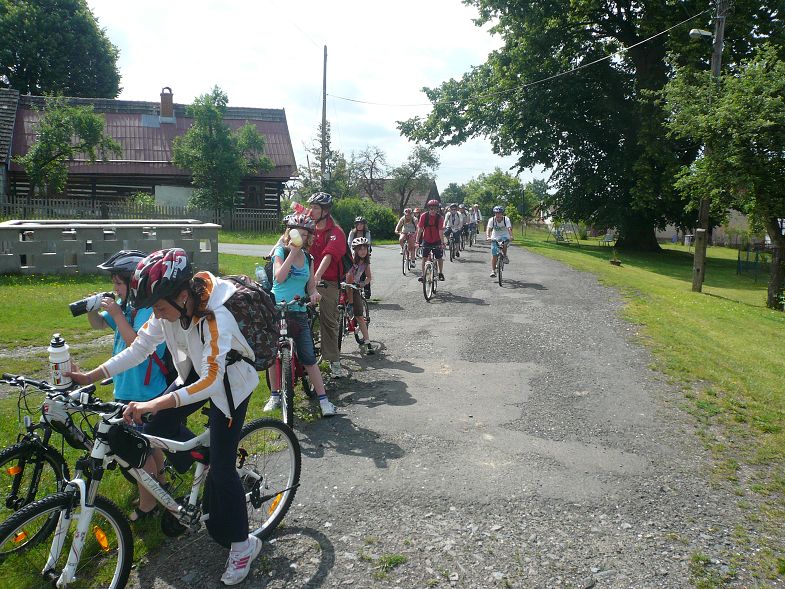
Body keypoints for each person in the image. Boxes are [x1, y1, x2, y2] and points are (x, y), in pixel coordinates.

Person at [66, 248, 263, 586]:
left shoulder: (217, 317)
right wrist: (90, 376)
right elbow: (139, 348)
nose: (156, 315)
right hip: (195, 372)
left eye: (159, 308)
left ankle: (244, 544)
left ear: (183, 296)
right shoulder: (168, 310)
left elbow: (211, 381)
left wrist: (154, 403)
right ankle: (203, 463)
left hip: (228, 384)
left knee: (223, 470)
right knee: (156, 427)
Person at [86, 249, 170, 520]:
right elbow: (99, 324)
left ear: (133, 282)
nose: (115, 289)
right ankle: (161, 486)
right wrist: (92, 309)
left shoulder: (147, 309)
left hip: (144, 391)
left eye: (119, 283)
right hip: (126, 386)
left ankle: (148, 506)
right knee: (150, 445)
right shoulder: (126, 306)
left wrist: (117, 313)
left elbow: (137, 344)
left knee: (138, 453)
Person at [264, 214, 336, 416]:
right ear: (290, 233)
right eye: (298, 233)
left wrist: (314, 295)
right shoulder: (281, 251)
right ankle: (274, 395)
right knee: (273, 355)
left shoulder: (309, 259)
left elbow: (311, 286)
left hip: (298, 310)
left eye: (305, 235)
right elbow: (279, 277)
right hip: (278, 310)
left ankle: (324, 401)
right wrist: (292, 252)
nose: (301, 238)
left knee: (309, 358)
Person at [306, 192, 348, 378]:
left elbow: (328, 256)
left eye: (315, 208)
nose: (311, 211)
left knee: (328, 319)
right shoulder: (308, 228)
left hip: (327, 281)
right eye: (311, 207)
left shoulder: (336, 232)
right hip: (306, 279)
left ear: (325, 211)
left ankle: (333, 360)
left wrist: (317, 276)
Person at [346, 236, 375, 355]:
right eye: (360, 249)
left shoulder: (365, 263)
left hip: (354, 287)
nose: (363, 251)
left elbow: (369, 277)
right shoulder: (350, 261)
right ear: (355, 250)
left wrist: (362, 284)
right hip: (344, 285)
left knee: (359, 315)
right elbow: (347, 277)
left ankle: (367, 342)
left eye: (365, 249)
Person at [415, 199, 445, 282]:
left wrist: (442, 243)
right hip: (426, 240)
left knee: (439, 258)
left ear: (437, 209)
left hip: (437, 240)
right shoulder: (424, 216)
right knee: (424, 258)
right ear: (428, 208)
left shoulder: (440, 218)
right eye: (431, 209)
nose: (433, 211)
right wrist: (417, 242)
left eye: (435, 209)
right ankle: (423, 274)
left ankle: (440, 273)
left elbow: (441, 231)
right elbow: (420, 230)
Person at [347, 217, 372, 298]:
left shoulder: (367, 232)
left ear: (364, 225)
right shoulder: (352, 232)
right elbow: (349, 243)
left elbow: (368, 243)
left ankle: (367, 290)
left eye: (361, 224)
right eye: (358, 224)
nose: (360, 226)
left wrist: (366, 252)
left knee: (365, 271)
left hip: (364, 253)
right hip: (354, 252)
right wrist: (352, 253)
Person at [486, 205, 514, 278]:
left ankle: (504, 255)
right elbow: (488, 229)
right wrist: (488, 236)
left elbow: (509, 228)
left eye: (499, 213)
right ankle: (493, 271)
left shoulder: (506, 219)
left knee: (504, 244)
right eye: (496, 213)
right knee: (494, 254)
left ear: (502, 214)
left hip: (505, 235)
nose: (498, 215)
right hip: (495, 236)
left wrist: (511, 236)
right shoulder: (492, 220)